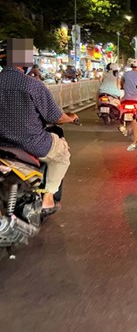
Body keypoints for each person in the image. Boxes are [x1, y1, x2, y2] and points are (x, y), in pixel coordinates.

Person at [0, 54, 78, 215]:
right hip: (31, 143)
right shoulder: (32, 85)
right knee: (62, 155)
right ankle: (48, 199)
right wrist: (70, 118)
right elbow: (55, 117)